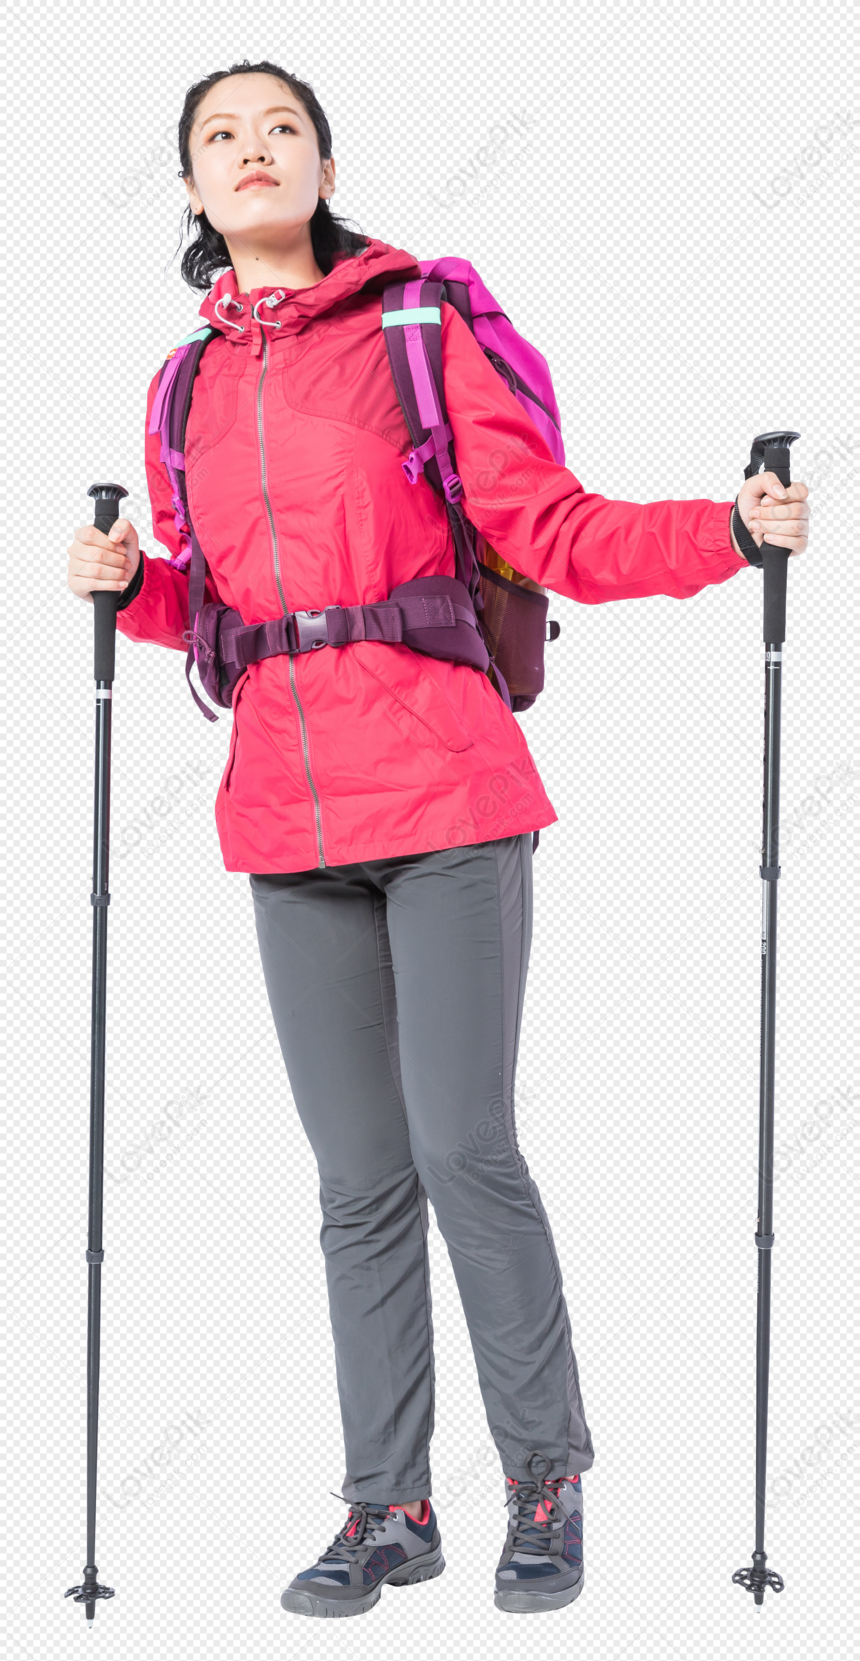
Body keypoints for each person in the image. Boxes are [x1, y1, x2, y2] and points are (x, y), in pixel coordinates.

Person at [66, 59, 810, 1619]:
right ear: (190, 191)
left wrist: (722, 531)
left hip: (451, 800)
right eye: (217, 138)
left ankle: (545, 1480)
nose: (250, 152)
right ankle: (385, 1509)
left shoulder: (416, 328)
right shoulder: (184, 384)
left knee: (462, 1144)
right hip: (283, 816)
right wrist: (123, 586)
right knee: (354, 1180)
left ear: (323, 163)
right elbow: (210, 605)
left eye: (279, 129)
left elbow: (551, 528)